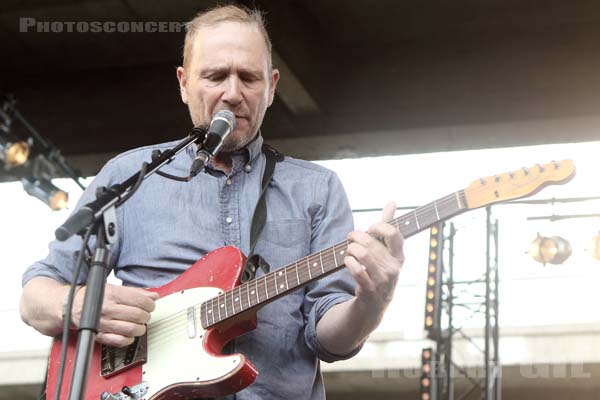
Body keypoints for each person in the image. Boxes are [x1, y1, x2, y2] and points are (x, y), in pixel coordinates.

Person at [19, 5, 404, 399]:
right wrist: (80, 305)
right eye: (216, 76)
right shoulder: (128, 175)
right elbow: (35, 298)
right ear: (184, 83)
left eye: (249, 78)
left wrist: (373, 302)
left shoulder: (317, 189)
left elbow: (329, 339)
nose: (232, 94)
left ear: (271, 87)